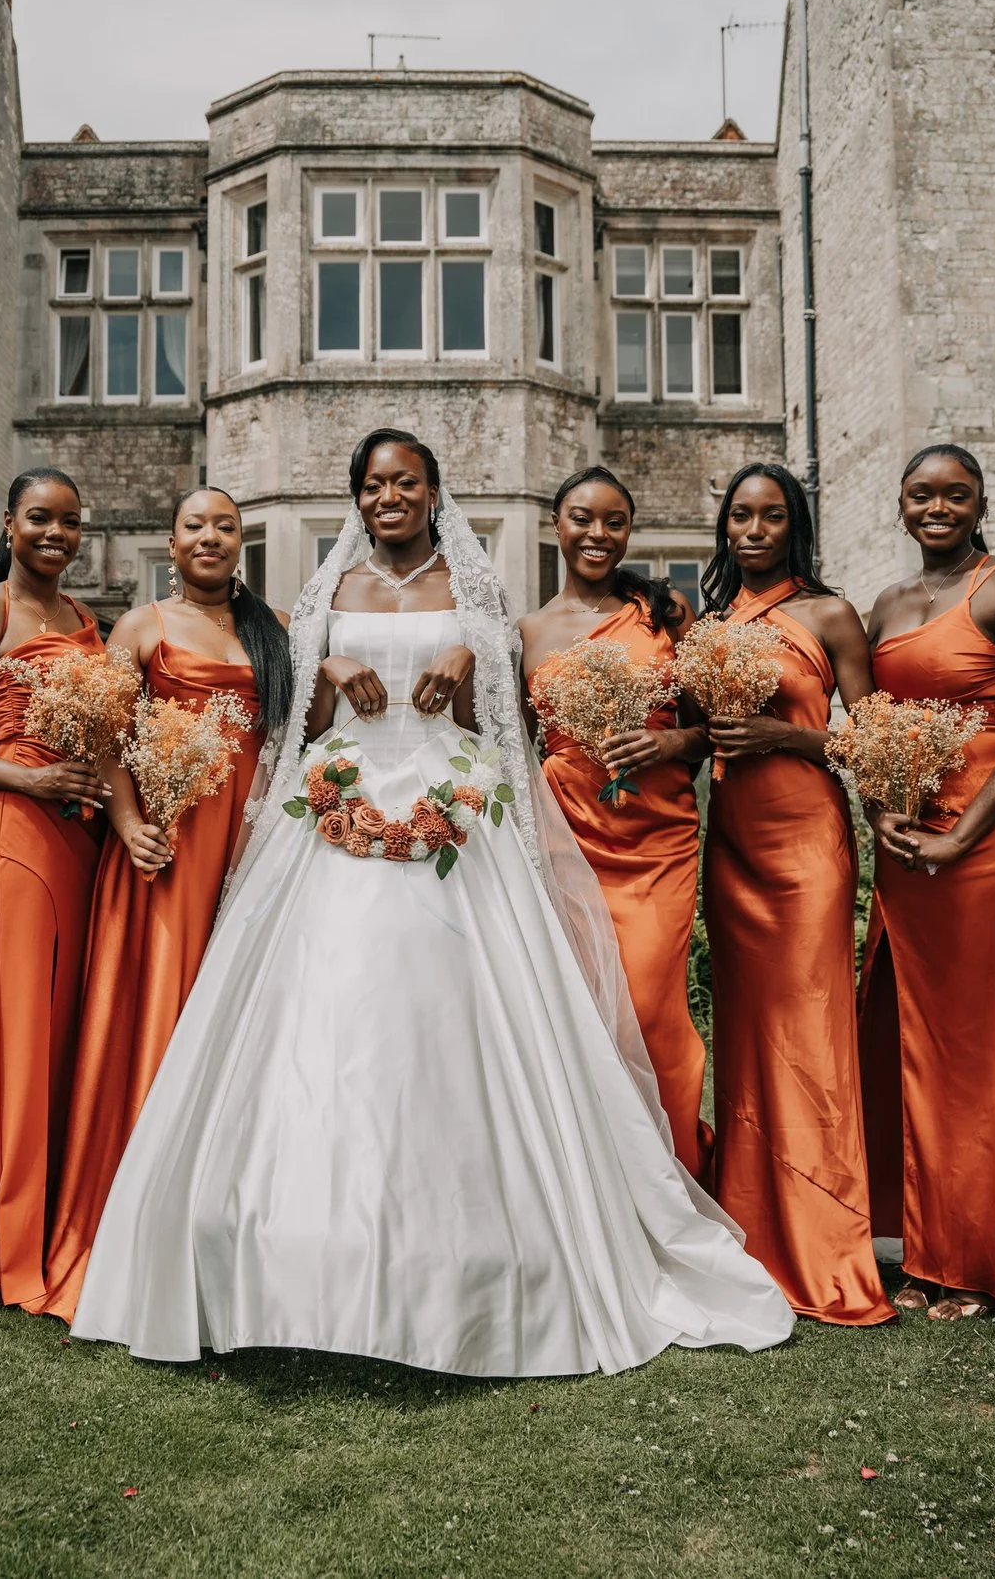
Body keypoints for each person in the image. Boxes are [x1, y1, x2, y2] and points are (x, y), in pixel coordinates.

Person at [72, 429, 794, 1377]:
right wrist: (327, 670)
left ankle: (485, 1248)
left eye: (405, 483)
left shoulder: (480, 590)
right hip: (339, 808)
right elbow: (301, 727)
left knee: (455, 1015)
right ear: (357, 498)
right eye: (373, 486)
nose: (388, 499)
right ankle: (294, 1253)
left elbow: (502, 719)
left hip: (454, 807)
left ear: (433, 492)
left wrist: (464, 665)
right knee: (329, 1014)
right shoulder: (329, 593)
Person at [39, 486, 291, 1321]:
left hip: (249, 847)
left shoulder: (273, 629)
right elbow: (105, 733)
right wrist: (128, 821)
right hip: (165, 842)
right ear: (172, 542)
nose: (211, 537)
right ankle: (135, 1219)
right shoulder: (141, 627)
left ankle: (226, 1220)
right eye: (196, 526)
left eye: (225, 526)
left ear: (241, 541)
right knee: (159, 1012)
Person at [859, 444, 995, 1321]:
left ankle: (978, 1258)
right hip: (903, 843)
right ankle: (914, 1240)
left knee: (973, 1048)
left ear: (980, 504)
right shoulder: (887, 605)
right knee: (901, 1037)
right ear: (900, 505)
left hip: (978, 842)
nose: (937, 508)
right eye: (921, 495)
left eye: (956, 495)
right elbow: (869, 726)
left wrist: (968, 834)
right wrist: (879, 817)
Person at [697, 464, 897, 1328]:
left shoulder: (830, 615)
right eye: (740, 516)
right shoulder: (708, 624)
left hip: (810, 844)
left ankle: (825, 1239)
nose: (753, 530)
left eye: (771, 517)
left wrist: (787, 734)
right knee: (746, 1035)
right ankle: (748, 1225)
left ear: (794, 526)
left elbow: (876, 742)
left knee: (813, 1029)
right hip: (731, 845)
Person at [0, 469, 111, 1313]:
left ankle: (53, 1218)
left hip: (79, 842)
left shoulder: (85, 622)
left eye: (69, 523)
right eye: (39, 518)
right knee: (11, 1037)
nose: (55, 534)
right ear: (9, 523)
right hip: (10, 833)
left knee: (63, 1027)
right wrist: (25, 781)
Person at [517, 466, 713, 1175]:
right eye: (581, 518)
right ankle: (595, 1191)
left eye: (613, 522)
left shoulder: (668, 616)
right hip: (565, 834)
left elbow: (712, 731)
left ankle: (675, 1177)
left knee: (653, 1012)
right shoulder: (529, 630)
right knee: (583, 1017)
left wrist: (666, 742)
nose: (597, 534)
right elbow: (515, 746)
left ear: (629, 531)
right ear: (556, 525)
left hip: (657, 835)